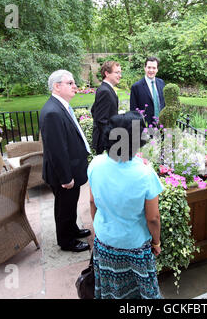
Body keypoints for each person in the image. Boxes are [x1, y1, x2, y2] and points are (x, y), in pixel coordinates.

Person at [87, 111, 163, 299]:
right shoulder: (145, 174)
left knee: (111, 290)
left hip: (105, 242)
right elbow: (152, 218)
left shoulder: (95, 165)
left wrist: (101, 228)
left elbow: (92, 202)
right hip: (134, 245)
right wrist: (156, 242)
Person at [40, 70, 91, 253]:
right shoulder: (52, 112)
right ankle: (66, 241)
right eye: (70, 83)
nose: (75, 87)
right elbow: (56, 150)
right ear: (57, 86)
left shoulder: (61, 106)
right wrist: (65, 178)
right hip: (64, 173)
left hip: (72, 168)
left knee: (70, 204)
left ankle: (73, 229)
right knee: (64, 208)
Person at [91, 61, 121, 154]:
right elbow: (101, 120)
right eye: (117, 72)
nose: (120, 75)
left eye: (120, 72)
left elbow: (93, 110)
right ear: (107, 73)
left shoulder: (106, 89)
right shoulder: (105, 91)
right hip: (105, 143)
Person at [130, 56, 165, 126]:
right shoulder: (136, 87)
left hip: (161, 125)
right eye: (149, 67)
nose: (151, 70)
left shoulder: (161, 83)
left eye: (154, 68)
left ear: (157, 69)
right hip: (145, 127)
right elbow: (133, 111)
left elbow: (164, 103)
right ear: (145, 68)